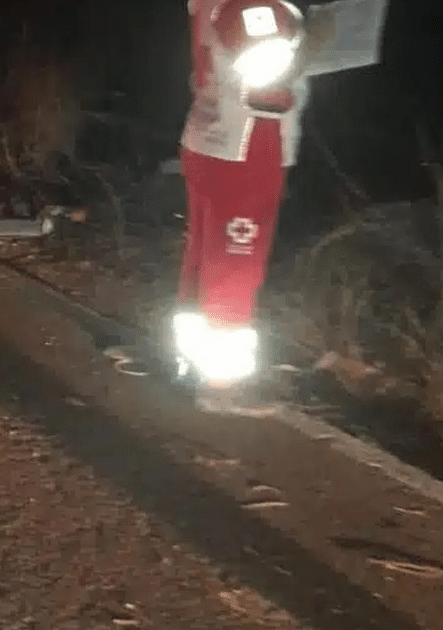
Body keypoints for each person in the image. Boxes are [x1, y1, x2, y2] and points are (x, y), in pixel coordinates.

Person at [173, 0, 313, 414]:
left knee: (203, 258)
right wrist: (312, 48)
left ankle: (194, 363)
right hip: (249, 142)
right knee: (236, 264)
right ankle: (224, 383)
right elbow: (265, 80)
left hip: (212, 136)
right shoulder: (259, 6)